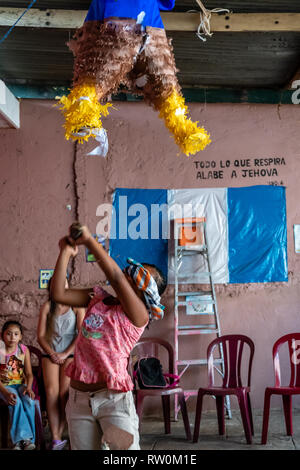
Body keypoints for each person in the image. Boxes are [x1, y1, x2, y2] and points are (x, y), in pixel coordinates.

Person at [50, 222, 167, 450]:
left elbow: (115, 277)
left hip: (114, 403)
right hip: (79, 401)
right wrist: (65, 251)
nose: (131, 278)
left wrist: (89, 241)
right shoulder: (97, 298)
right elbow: (59, 293)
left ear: (145, 295)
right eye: (133, 273)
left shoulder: (138, 316)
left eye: (141, 279)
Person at [37, 278, 85, 450]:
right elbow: (41, 336)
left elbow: (81, 334)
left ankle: (61, 431)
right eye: (57, 283)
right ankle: (56, 438)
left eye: (64, 283)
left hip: (70, 354)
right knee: (51, 392)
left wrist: (65, 354)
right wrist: (53, 354)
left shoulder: (76, 307)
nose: (61, 285)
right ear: (51, 287)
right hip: (50, 354)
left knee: (64, 394)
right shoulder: (47, 307)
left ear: (67, 287)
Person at [0, 321, 36, 450]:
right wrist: (5, 392)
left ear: (20, 336)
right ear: (2, 335)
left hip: (20, 385)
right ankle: (21, 441)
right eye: (8, 334)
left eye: (16, 334)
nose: (12, 337)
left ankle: (30, 441)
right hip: (3, 387)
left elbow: (29, 374)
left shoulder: (23, 350)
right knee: (15, 400)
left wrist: (28, 388)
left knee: (29, 401)